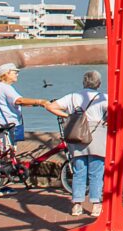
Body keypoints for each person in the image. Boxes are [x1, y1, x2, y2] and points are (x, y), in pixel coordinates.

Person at [46, 70, 109, 217]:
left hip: (76, 135)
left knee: (79, 171)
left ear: (83, 82)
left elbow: (50, 106)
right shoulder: (104, 98)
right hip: (96, 136)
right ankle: (96, 204)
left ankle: (77, 205)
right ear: (99, 83)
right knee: (96, 172)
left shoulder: (73, 96)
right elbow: (115, 111)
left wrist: (68, 116)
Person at [0, 63, 48, 150]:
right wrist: (41, 101)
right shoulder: (5, 87)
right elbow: (19, 100)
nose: (17, 75)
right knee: (9, 150)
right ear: (7, 73)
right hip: (4, 124)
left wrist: (37, 104)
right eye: (15, 72)